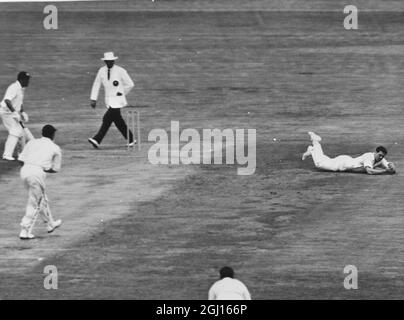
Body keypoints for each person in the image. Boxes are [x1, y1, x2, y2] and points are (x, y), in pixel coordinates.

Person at [18, 124, 62, 240]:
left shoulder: (32, 142)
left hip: (24, 171)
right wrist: (44, 168)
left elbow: (21, 160)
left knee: (42, 199)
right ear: (53, 135)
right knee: (35, 202)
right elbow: (55, 169)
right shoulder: (55, 148)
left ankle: (50, 224)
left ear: (42, 133)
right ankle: (25, 230)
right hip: (37, 173)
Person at [88, 52, 135, 149]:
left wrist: (122, 93)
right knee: (118, 121)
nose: (110, 63)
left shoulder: (120, 71)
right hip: (109, 101)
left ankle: (97, 139)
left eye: (111, 61)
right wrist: (93, 98)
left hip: (118, 101)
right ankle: (131, 139)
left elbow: (130, 84)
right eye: (108, 61)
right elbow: (97, 84)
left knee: (107, 118)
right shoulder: (101, 71)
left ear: (114, 60)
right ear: (105, 61)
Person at [302, 131, 396, 174]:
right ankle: (314, 145)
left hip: (346, 160)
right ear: (375, 152)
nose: (380, 158)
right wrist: (384, 171)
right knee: (319, 163)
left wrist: (392, 166)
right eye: (379, 155)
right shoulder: (369, 156)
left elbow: (390, 168)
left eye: (382, 156)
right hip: (341, 164)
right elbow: (369, 171)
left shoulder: (381, 159)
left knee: (325, 159)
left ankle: (313, 146)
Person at [0, 71, 31, 161]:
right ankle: (7, 154)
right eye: (27, 80)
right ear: (21, 80)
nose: (28, 82)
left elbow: (19, 102)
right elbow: (7, 100)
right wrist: (14, 113)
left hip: (12, 113)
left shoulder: (21, 88)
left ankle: (21, 154)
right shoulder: (14, 87)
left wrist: (22, 112)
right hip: (6, 112)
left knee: (21, 133)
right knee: (15, 132)